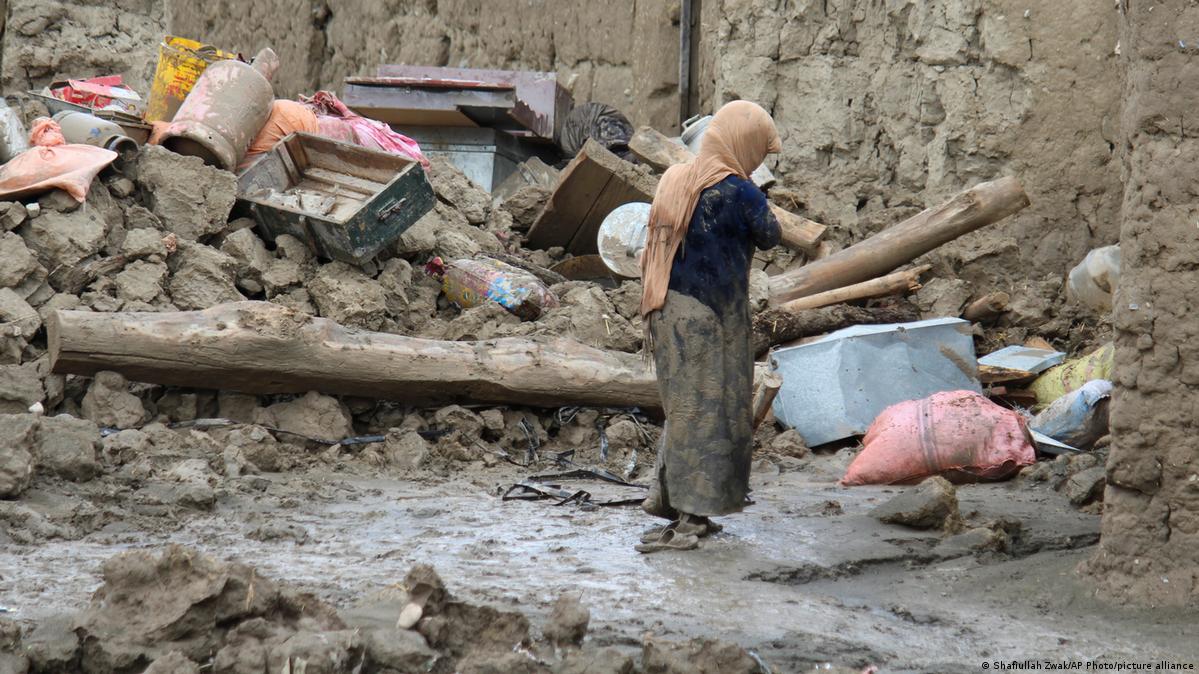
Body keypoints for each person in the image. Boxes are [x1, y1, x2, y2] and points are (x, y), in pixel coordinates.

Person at [635, 100, 782, 553]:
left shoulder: (676, 179)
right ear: (744, 145)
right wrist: (758, 188)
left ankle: (670, 503)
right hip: (712, 319)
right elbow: (771, 234)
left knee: (682, 411)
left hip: (667, 309)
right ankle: (689, 517)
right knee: (708, 416)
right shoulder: (741, 192)